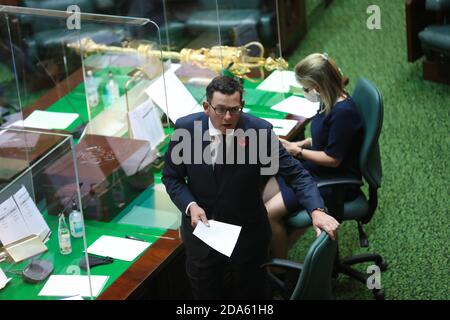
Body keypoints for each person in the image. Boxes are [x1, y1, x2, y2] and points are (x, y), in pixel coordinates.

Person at [162, 75, 339, 300]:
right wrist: (190, 205)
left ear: (242, 106)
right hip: (203, 238)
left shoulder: (258, 132)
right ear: (207, 107)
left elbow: (296, 175)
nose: (228, 117)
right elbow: (172, 178)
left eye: (234, 110)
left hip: (248, 236)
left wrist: (316, 210)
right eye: (220, 110)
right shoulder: (186, 129)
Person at [263, 53, 364, 260]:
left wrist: (297, 151)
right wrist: (300, 143)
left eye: (306, 88)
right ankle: (278, 244)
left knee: (269, 213)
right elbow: (326, 138)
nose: (304, 92)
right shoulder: (329, 99)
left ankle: (280, 273)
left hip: (333, 182)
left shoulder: (343, 112)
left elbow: (333, 158)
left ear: (318, 86)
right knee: (261, 196)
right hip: (315, 171)